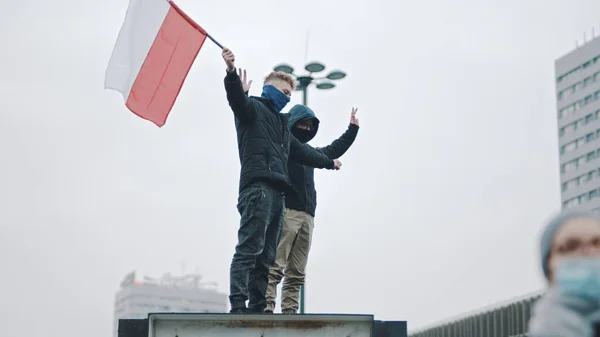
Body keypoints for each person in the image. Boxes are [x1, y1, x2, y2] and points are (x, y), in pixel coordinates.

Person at [221, 48, 343, 313]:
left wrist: (329, 162)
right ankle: (238, 305)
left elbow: (307, 153)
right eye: (284, 92)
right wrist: (231, 74)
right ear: (268, 88)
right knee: (249, 249)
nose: (287, 98)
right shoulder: (251, 108)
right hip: (258, 189)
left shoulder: (282, 126)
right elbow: (236, 101)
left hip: (279, 195)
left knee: (266, 257)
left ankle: (257, 307)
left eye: (290, 95)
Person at [264, 104, 360, 314]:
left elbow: (332, 150)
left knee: (297, 271)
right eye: (302, 124)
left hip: (308, 216)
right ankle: (266, 307)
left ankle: (290, 311)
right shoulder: (284, 149)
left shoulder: (311, 154)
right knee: (275, 265)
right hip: (287, 212)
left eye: (310, 126)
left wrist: (352, 130)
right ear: (292, 123)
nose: (306, 129)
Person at [528, 210, 600, 337]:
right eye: (571, 246)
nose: (589, 252)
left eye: (598, 243)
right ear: (549, 267)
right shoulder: (549, 328)